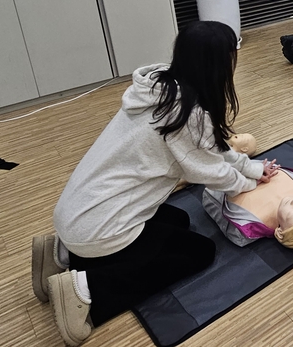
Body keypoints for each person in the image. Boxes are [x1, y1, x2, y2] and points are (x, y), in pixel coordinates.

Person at [35, 22, 279, 346]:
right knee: (198, 253)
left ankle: (61, 253)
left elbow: (212, 148)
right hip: (98, 227)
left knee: (178, 219)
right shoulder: (185, 115)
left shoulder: (163, 86)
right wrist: (246, 183)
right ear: (217, 66)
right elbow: (211, 173)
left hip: (78, 213)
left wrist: (252, 166)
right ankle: (84, 290)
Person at [202, 134, 293, 249]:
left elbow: (209, 183)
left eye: (292, 212)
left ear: (280, 233)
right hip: (243, 169)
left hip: (219, 178)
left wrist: (248, 180)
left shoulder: (248, 227)